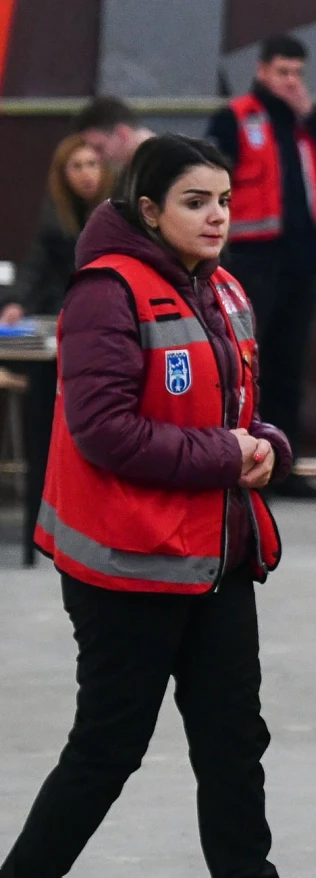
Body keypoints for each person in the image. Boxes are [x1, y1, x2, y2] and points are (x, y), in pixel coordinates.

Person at [0, 134, 316, 878]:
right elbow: (104, 430)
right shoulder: (105, 295)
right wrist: (228, 454)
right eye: (194, 200)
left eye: (222, 198)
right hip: (126, 568)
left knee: (233, 745)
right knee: (109, 745)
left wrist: (266, 448)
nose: (216, 214)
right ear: (149, 211)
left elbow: (242, 414)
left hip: (216, 556)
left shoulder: (222, 288)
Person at [206, 33, 316, 501]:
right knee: (250, 363)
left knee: (292, 363)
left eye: (298, 73)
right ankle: (244, 463)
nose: (291, 82)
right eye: (283, 73)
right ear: (262, 70)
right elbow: (209, 170)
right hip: (252, 259)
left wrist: (309, 109)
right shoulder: (234, 117)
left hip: (302, 260)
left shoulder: (305, 120)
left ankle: (282, 467)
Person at [0, 134, 114, 568]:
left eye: (92, 164)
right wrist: (17, 303)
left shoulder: (117, 213)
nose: (86, 174)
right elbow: (34, 267)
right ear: (63, 176)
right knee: (43, 416)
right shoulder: (56, 218)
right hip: (61, 326)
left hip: (106, 329)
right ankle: (42, 521)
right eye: (76, 166)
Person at [71, 96, 154, 172]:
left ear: (123, 134)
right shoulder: (135, 169)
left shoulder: (161, 167)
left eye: (99, 148)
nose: (97, 158)